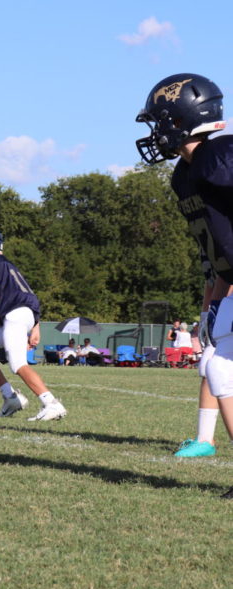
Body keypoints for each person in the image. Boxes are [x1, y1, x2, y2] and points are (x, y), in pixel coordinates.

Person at [135, 73, 233, 476]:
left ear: (180, 120)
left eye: (159, 122)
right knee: (216, 366)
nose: (155, 133)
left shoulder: (220, 154)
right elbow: (219, 246)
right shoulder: (184, 175)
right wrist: (212, 300)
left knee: (220, 367)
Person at [0, 226, 67, 421]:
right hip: (18, 314)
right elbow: (26, 294)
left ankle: (51, 403)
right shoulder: (5, 262)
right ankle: (11, 398)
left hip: (14, 315)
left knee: (17, 364)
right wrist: (35, 325)